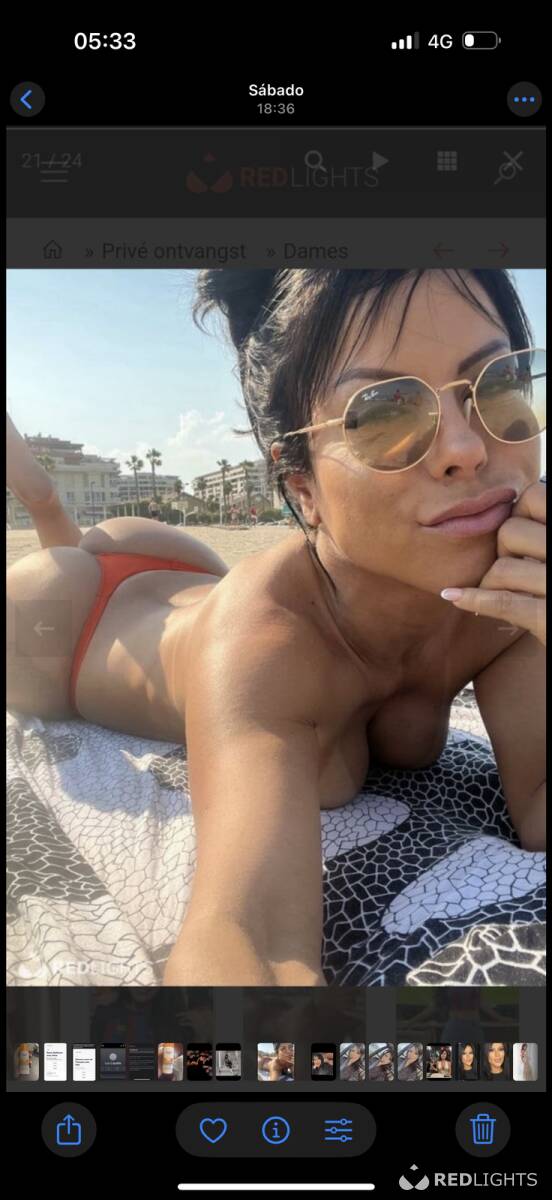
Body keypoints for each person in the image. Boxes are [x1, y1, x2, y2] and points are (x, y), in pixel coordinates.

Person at [6, 267, 546, 989]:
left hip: (191, 575)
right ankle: (44, 500)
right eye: (384, 413)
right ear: (302, 487)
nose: (467, 448)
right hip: (78, 615)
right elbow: (245, 939)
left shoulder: (509, 602)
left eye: (497, 383)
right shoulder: (267, 642)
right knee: (50, 565)